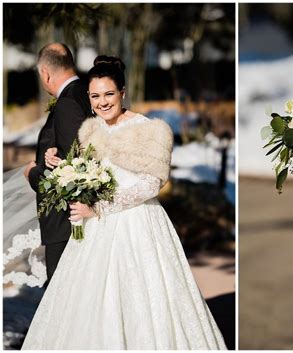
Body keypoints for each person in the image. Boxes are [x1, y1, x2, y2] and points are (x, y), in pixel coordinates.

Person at [21, 56, 227, 349]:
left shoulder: (148, 129)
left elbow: (152, 183)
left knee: (144, 301)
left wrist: (100, 208)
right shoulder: (91, 130)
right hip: (95, 230)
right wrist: (54, 157)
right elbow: (83, 170)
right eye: (95, 96)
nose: (102, 102)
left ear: (122, 93)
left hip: (138, 223)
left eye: (109, 94)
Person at [23, 43, 91, 283]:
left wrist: (33, 173)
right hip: (79, 219)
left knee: (62, 296)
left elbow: (74, 170)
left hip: (66, 224)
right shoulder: (88, 92)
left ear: (45, 73)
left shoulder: (67, 103)